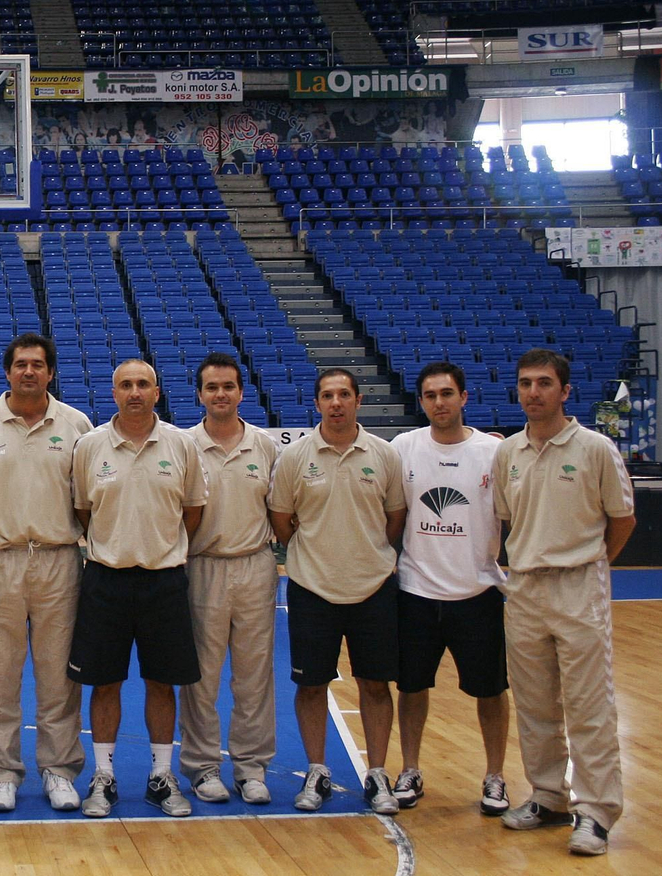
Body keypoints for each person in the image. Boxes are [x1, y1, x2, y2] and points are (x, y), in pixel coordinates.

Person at [494, 348, 635, 856]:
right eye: (526, 383)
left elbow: (622, 521)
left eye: (544, 383)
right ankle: (549, 795)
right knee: (534, 704)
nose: (534, 392)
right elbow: (508, 518)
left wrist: (589, 562)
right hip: (524, 588)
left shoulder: (596, 448)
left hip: (578, 586)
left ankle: (596, 811)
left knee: (589, 704)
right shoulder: (508, 452)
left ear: (565, 391)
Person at [69, 359, 207, 819]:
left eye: (142, 384)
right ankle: (103, 776)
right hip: (105, 578)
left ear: (157, 391)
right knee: (104, 682)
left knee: (161, 682)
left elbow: (192, 510)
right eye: (125, 384)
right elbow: (83, 511)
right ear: (114, 393)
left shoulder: (182, 445)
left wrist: (159, 546)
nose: (134, 392)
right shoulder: (90, 446)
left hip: (164, 579)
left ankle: (161, 775)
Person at [0, 334, 92, 813]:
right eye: (21, 364)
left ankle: (59, 769)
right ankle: (1, 771)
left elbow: (88, 495)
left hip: (59, 558)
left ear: (51, 372)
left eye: (38, 365)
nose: (29, 372)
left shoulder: (77, 424)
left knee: (59, 672)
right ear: (8, 371)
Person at [269, 367, 407, 814]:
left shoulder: (384, 455)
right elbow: (282, 520)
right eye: (327, 395)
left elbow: (394, 518)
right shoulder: (295, 458)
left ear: (358, 401)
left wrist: (366, 553)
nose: (336, 403)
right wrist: (313, 554)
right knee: (312, 686)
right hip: (312, 588)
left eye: (344, 394)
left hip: (374, 588)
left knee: (375, 683)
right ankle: (316, 770)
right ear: (317, 404)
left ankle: (378, 773)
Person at [388, 362, 510, 817]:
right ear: (421, 402)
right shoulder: (403, 447)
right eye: (430, 395)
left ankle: (495, 776)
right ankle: (411, 768)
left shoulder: (494, 452)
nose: (439, 403)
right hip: (416, 592)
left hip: (478, 594)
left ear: (463, 397)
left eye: (446, 393)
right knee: (412, 688)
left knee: (491, 691)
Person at [177, 352, 278, 806]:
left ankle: (252, 767)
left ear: (241, 392)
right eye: (212, 387)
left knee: (255, 675)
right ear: (199, 395)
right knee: (202, 676)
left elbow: (281, 510)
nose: (221, 394)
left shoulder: (266, 447)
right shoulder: (181, 446)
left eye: (228, 386)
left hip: (255, 564)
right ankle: (202, 766)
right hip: (202, 566)